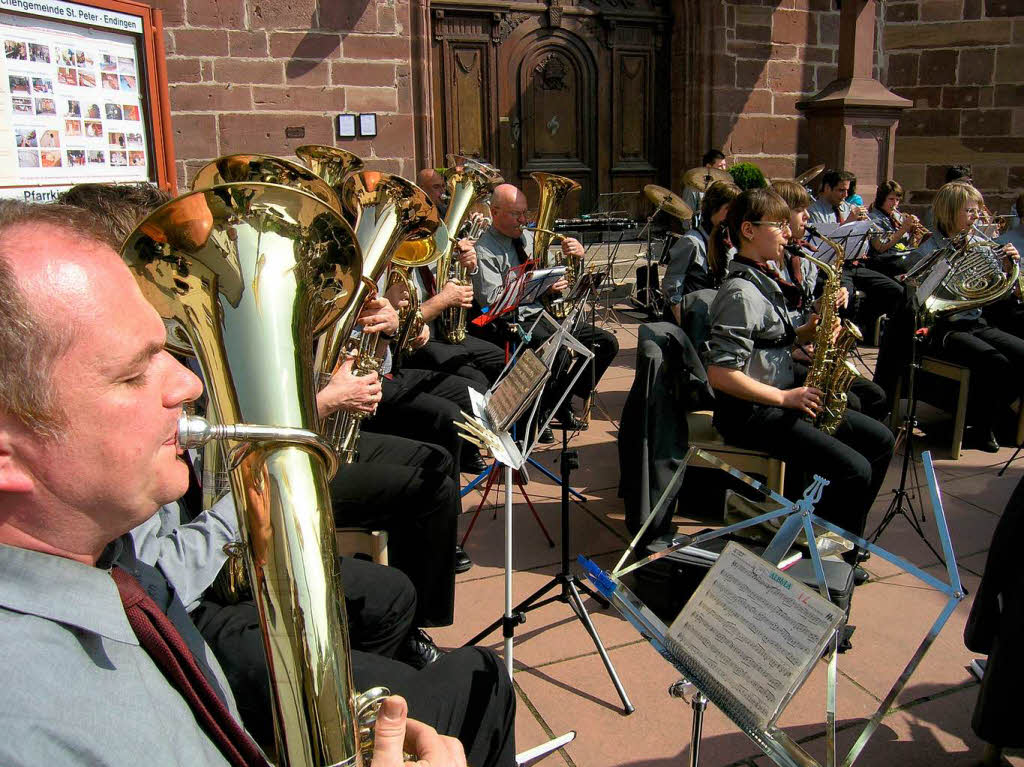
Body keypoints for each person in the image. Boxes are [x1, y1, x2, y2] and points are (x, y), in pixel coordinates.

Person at [0, 200, 480, 765]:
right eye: (132, 374)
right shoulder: (38, 726)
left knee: (406, 581)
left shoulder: (102, 553)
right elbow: (178, 560)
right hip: (215, 572)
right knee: (480, 685)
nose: (186, 383)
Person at [704, 188, 895, 544]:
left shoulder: (762, 279)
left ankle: (832, 536)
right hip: (751, 413)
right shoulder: (740, 292)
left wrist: (807, 331)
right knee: (855, 471)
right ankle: (831, 550)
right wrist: (785, 398)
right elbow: (721, 373)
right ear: (749, 230)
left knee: (882, 440)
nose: (789, 233)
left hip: (774, 399)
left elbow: (766, 343)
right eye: (778, 225)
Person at [470, 183, 619, 429]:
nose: (523, 220)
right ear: (494, 212)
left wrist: (575, 259)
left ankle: (560, 400)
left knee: (606, 343)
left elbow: (560, 277)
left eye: (525, 212)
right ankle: (539, 414)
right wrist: (540, 285)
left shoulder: (530, 237)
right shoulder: (484, 248)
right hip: (512, 320)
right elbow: (492, 300)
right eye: (515, 214)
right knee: (557, 349)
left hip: (544, 314)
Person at [912, 181, 1023, 452]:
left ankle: (996, 418)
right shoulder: (929, 250)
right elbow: (916, 300)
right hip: (942, 329)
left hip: (975, 322)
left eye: (976, 211)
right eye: (970, 211)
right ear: (950, 212)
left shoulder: (980, 245)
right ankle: (981, 427)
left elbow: (999, 292)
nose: (976, 218)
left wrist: (1009, 269)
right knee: (994, 362)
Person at [808, 170, 904, 337]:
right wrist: (850, 221)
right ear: (827, 188)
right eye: (840, 190)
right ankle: (839, 337)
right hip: (832, 267)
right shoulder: (814, 211)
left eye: (847, 190)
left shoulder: (847, 207)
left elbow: (869, 241)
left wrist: (865, 228)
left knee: (896, 290)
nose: (845, 195)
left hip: (855, 263)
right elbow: (825, 244)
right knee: (846, 296)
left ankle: (869, 330)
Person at [662, 180, 740, 314]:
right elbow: (672, 289)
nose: (733, 216)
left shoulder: (731, 242)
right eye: (728, 209)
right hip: (695, 317)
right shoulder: (692, 242)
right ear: (713, 208)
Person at [866, 180, 925, 278]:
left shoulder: (898, 216)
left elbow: (908, 244)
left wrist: (913, 233)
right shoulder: (873, 218)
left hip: (903, 256)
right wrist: (903, 229)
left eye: (897, 200)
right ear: (882, 199)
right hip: (886, 261)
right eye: (891, 199)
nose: (895, 204)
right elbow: (880, 247)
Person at [681, 149, 728, 221]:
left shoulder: (724, 187)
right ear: (708, 167)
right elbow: (686, 217)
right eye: (720, 166)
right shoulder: (692, 188)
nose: (724, 169)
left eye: (725, 165)